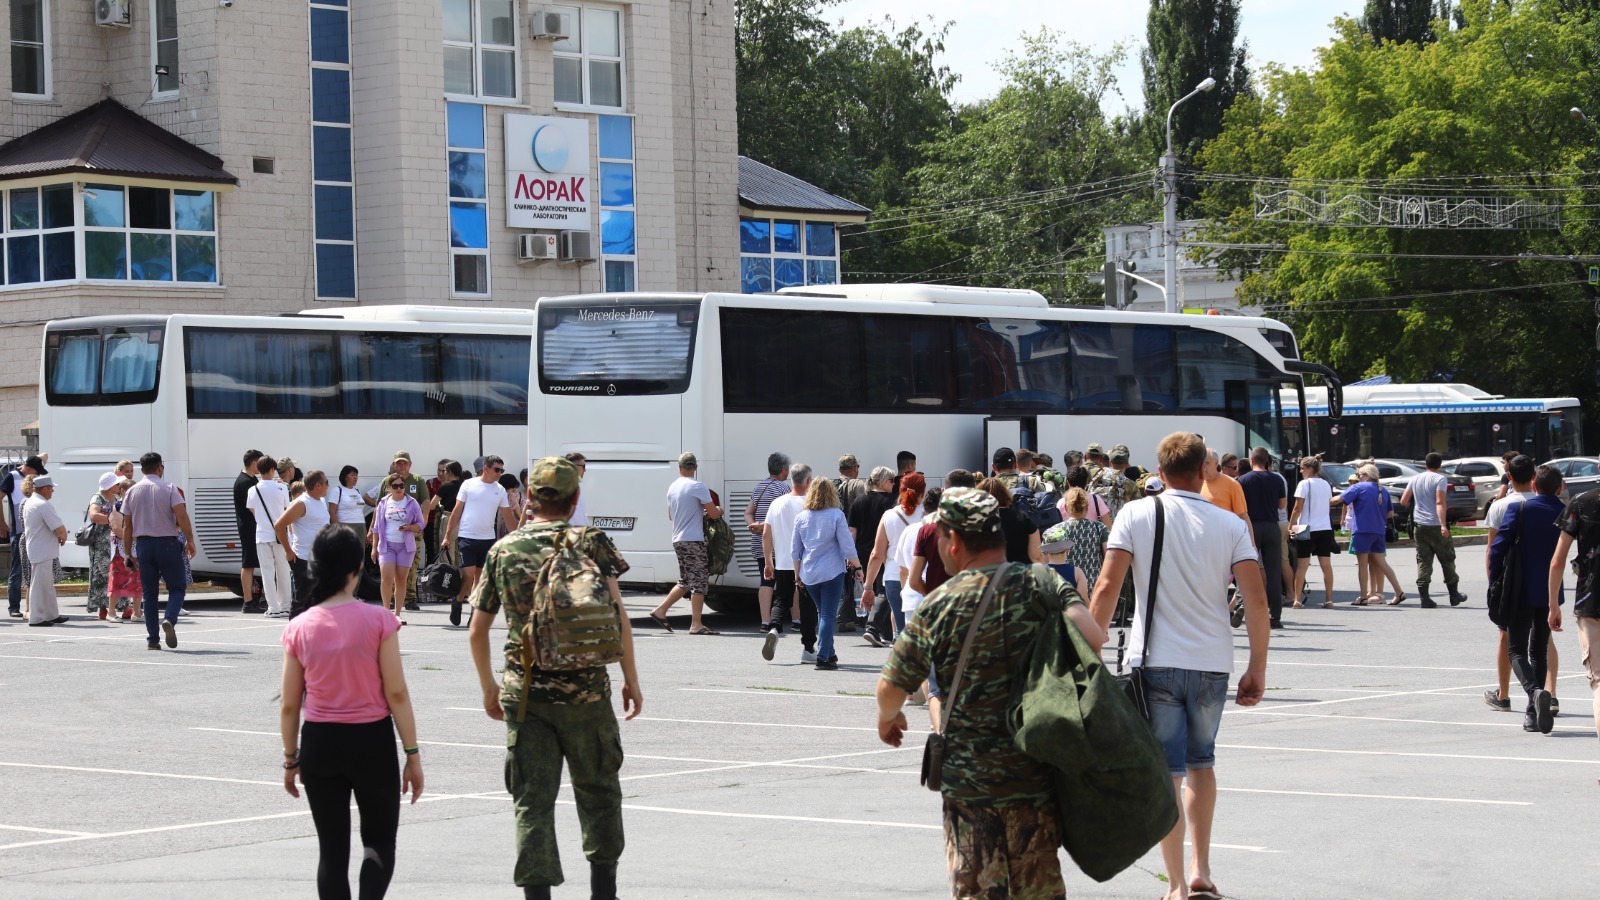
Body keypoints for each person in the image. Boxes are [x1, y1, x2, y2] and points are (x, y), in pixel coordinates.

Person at [876, 487, 1107, 899]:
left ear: (954, 542)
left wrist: (888, 719)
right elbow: (1092, 637)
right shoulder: (1041, 582)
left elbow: (891, 687)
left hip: (970, 785)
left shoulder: (940, 604)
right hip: (1034, 774)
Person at [1089, 432, 1269, 900]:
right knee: (1201, 763)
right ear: (1204, 469)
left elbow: (1107, 586)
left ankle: (1175, 885)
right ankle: (1201, 869)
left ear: (1160, 470)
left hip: (1156, 660)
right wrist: (1257, 667)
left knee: (1167, 771)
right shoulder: (1230, 524)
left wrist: (1086, 651)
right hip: (1212, 661)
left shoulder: (1135, 514)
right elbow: (1256, 601)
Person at [467, 457, 642, 900]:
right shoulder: (592, 542)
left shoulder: (504, 549)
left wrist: (490, 688)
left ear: (529, 496)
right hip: (588, 694)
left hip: (526, 695)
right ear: (575, 497)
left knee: (532, 802)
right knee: (599, 792)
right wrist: (631, 679)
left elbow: (477, 630)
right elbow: (618, 614)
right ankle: (604, 892)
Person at [280, 524, 423, 900]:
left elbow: (290, 704)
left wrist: (291, 759)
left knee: (332, 851)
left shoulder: (299, 626)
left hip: (320, 742)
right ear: (357, 567)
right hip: (371, 740)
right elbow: (396, 692)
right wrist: (412, 753)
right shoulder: (378, 620)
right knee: (379, 841)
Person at [1490, 465, 1567, 734]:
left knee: (1516, 650)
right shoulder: (1565, 511)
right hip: (1550, 592)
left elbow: (1498, 548)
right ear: (1560, 488)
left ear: (1535, 485)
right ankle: (1533, 714)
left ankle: (1534, 693)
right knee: (1539, 650)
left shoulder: (1520, 509)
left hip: (1519, 589)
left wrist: (1494, 582)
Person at [120, 452, 197, 650]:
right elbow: (182, 516)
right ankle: (170, 618)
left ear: (142, 470)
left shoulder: (132, 491)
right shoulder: (169, 488)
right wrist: (190, 540)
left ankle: (153, 639)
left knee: (149, 593)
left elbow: (127, 526)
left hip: (144, 545)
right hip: (168, 543)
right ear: (159, 467)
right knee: (177, 587)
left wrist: (128, 553)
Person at [1549, 469, 1600, 752]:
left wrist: (1553, 604)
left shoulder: (1581, 502)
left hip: (1592, 603)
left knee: (1599, 684)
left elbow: (1558, 561)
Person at [648, 452, 723, 635]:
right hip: (693, 539)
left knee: (686, 581)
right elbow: (713, 514)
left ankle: (660, 610)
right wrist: (719, 510)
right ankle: (696, 624)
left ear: (679, 468)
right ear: (695, 467)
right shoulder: (698, 486)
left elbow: (671, 516)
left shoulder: (672, 487)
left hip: (678, 539)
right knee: (699, 582)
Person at [791, 478, 861, 670]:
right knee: (828, 614)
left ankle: (830, 653)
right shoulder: (836, 515)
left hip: (809, 572)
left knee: (823, 613)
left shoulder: (801, 517)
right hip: (832, 571)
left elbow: (795, 551)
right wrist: (858, 567)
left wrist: (797, 574)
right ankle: (823, 657)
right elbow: (847, 545)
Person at [446, 455, 517, 627]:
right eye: (497, 469)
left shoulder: (500, 490)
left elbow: (508, 517)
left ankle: (474, 614)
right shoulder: (468, 484)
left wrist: (517, 538)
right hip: (467, 536)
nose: (500, 473)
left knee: (479, 579)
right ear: (486, 468)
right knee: (468, 574)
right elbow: (457, 511)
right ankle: (458, 600)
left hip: (487, 539)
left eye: (502, 470)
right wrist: (447, 535)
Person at [761, 463, 819, 663]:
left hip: (783, 562)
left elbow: (766, 534)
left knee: (781, 599)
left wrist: (768, 561)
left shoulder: (777, 503)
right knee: (807, 605)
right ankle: (808, 648)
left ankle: (774, 628)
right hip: (806, 562)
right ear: (808, 480)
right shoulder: (810, 503)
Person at [861, 472, 926, 645]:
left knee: (901, 627)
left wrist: (868, 586)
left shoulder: (889, 515)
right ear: (923, 492)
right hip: (922, 576)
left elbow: (877, 554)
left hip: (893, 576)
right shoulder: (929, 515)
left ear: (900, 490)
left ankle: (900, 652)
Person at [1400, 452, 1469, 608]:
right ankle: (1454, 595)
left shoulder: (1415, 478)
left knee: (1423, 561)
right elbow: (1440, 502)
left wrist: (1418, 506)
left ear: (1426, 464)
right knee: (1447, 559)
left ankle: (1424, 598)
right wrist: (1443, 525)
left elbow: (1404, 501)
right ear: (1440, 464)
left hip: (1419, 525)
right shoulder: (1440, 479)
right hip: (1435, 525)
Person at [1238, 448, 1287, 627]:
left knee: (1245, 568)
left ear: (1251, 460)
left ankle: (1241, 605)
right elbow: (1282, 505)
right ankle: (1275, 617)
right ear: (1267, 461)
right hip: (1272, 526)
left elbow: (1239, 505)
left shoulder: (1243, 480)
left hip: (1251, 527)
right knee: (1273, 572)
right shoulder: (1277, 479)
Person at [909, 470, 977, 598]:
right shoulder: (986, 526)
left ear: (943, 492)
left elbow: (914, 581)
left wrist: (933, 594)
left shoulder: (927, 530)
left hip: (938, 604)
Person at [743, 453, 791, 632]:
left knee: (766, 581)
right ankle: (797, 620)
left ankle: (765, 621)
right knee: (790, 582)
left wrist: (753, 526)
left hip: (759, 542)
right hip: (778, 543)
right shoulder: (783, 489)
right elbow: (784, 516)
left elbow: (748, 512)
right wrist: (764, 526)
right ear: (783, 469)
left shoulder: (759, 487)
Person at [849, 466, 897, 641]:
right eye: (891, 481)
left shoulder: (859, 501)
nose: (894, 484)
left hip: (862, 552)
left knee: (875, 591)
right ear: (883, 481)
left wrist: (851, 556)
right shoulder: (893, 501)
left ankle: (885, 634)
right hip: (884, 551)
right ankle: (873, 627)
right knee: (884, 591)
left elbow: (852, 531)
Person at [371, 475, 426, 626]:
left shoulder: (412, 502)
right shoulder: (383, 503)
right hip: (387, 545)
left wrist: (409, 527)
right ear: (389, 488)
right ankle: (385, 613)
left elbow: (421, 524)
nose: (399, 489)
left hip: (405, 546)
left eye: (401, 486)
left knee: (401, 580)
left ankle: (397, 614)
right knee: (386, 578)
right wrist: (374, 548)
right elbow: (376, 527)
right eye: (395, 486)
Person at [277, 470, 333, 617]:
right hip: (303, 559)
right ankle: (294, 631)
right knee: (302, 601)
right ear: (318, 485)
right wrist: (288, 551)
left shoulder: (321, 501)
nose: (328, 486)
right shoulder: (301, 503)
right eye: (326, 483)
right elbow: (279, 525)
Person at [1289, 457, 1340, 609]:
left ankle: (1297, 600)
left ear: (1310, 469)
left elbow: (1297, 508)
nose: (1300, 471)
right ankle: (1329, 599)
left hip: (1307, 528)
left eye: (1302, 468)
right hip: (1325, 528)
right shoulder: (1326, 484)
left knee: (1302, 566)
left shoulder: (1304, 484)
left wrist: (1291, 525)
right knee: (1326, 565)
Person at [247, 456, 294, 619]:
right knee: (283, 570)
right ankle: (286, 606)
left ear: (258, 470)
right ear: (273, 469)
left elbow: (252, 511)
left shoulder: (252, 490)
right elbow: (287, 510)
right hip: (280, 535)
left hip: (262, 534)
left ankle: (273, 607)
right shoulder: (282, 488)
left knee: (267, 572)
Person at [1342, 465, 1392, 606]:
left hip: (1362, 530)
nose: (1358, 478)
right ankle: (1380, 592)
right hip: (1379, 530)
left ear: (1366, 474)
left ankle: (1367, 595)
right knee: (1378, 562)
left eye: (1359, 475)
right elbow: (1390, 513)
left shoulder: (1359, 488)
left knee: (1365, 564)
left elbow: (1341, 500)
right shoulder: (1382, 490)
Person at [22, 475, 68, 626]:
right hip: (42, 550)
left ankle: (51, 614)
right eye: (51, 488)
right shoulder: (43, 505)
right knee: (40, 586)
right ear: (45, 488)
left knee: (46, 585)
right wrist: (63, 536)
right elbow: (59, 527)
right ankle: (37, 618)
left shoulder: (31, 502)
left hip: (39, 548)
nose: (53, 491)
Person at [1, 454, 44, 618]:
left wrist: (31, 462)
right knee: (17, 570)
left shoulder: (31, 475)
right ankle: (14, 607)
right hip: (19, 532)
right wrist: (2, 522)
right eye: (36, 471)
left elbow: (45, 455)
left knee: (33, 569)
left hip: (35, 531)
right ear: (30, 469)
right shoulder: (12, 477)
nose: (38, 475)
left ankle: (34, 606)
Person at [84, 473, 124, 619]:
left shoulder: (116, 498)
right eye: (116, 484)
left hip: (116, 541)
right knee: (102, 574)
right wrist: (113, 519)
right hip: (102, 543)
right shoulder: (98, 498)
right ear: (110, 486)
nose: (119, 486)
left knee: (117, 572)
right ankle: (104, 607)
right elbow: (94, 516)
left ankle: (122, 605)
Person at [1056, 487, 1109, 595]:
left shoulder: (1055, 531)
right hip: (1094, 588)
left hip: (1066, 589)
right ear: (1087, 508)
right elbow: (1109, 556)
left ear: (1065, 508)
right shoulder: (1100, 528)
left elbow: (1046, 562)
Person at [980, 477, 1042, 564]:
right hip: (1021, 569)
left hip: (988, 569)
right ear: (1005, 494)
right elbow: (1036, 555)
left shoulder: (977, 520)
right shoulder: (1023, 517)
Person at [235, 449, 265, 613]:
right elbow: (253, 507)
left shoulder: (252, 479)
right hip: (248, 527)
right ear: (254, 463)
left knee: (251, 564)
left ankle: (253, 599)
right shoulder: (244, 482)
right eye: (260, 463)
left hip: (253, 526)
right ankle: (248, 602)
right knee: (248, 564)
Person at [107, 478, 141, 620]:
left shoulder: (138, 506)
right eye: (128, 491)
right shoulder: (116, 506)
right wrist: (136, 537)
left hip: (136, 548)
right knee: (117, 580)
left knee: (138, 581)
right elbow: (117, 529)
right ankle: (111, 612)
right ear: (121, 492)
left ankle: (137, 613)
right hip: (120, 550)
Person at [424, 461, 464, 567]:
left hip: (448, 519)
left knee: (446, 553)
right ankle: (459, 576)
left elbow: (432, 506)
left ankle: (448, 576)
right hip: (463, 520)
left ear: (450, 472)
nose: (443, 473)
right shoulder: (465, 485)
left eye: (445, 471)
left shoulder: (445, 486)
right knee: (459, 554)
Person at [1089, 443, 1141, 523]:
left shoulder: (1097, 477)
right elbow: (1138, 508)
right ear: (1126, 464)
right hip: (1118, 526)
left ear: (1110, 463)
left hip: (1096, 525)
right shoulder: (1130, 485)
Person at [1201, 449, 1250, 528]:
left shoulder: (1232, 484)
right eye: (1200, 463)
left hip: (1225, 533)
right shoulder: (1196, 484)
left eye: (1207, 463)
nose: (1203, 466)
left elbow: (1243, 516)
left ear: (1216, 463)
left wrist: (1250, 536)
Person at [331, 466, 370, 539]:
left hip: (360, 525)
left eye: (356, 475)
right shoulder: (337, 490)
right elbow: (332, 511)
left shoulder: (357, 491)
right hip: (345, 526)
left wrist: (364, 529)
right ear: (345, 477)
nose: (355, 477)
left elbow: (360, 511)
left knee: (360, 546)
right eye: (352, 475)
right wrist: (336, 529)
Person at [834, 454, 869, 519]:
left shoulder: (831, 485)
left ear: (840, 470)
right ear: (855, 468)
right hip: (851, 524)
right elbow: (864, 508)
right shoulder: (858, 484)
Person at [563, 452, 590, 526]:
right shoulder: (566, 488)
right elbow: (578, 519)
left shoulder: (574, 486)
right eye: (583, 466)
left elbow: (582, 516)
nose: (585, 470)